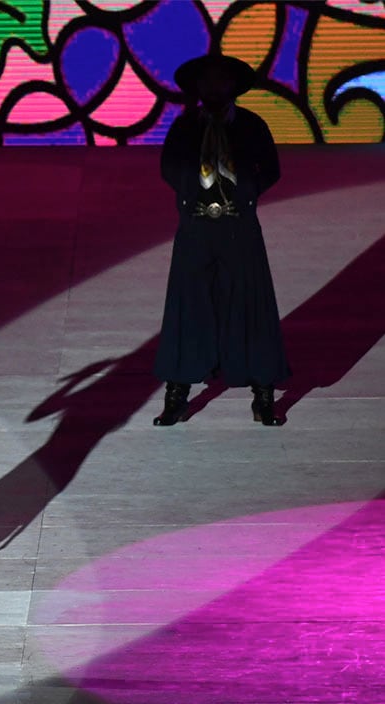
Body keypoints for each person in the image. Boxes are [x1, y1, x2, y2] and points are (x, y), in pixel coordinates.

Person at [153, 53, 291, 427]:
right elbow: (169, 167)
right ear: (198, 88)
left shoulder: (251, 125)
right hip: (196, 228)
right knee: (188, 306)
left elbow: (272, 169)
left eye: (221, 80)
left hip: (238, 228)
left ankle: (264, 396)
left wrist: (245, 196)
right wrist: (191, 197)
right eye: (207, 81)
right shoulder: (184, 128)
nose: (214, 87)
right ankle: (176, 395)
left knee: (251, 306)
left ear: (232, 86)